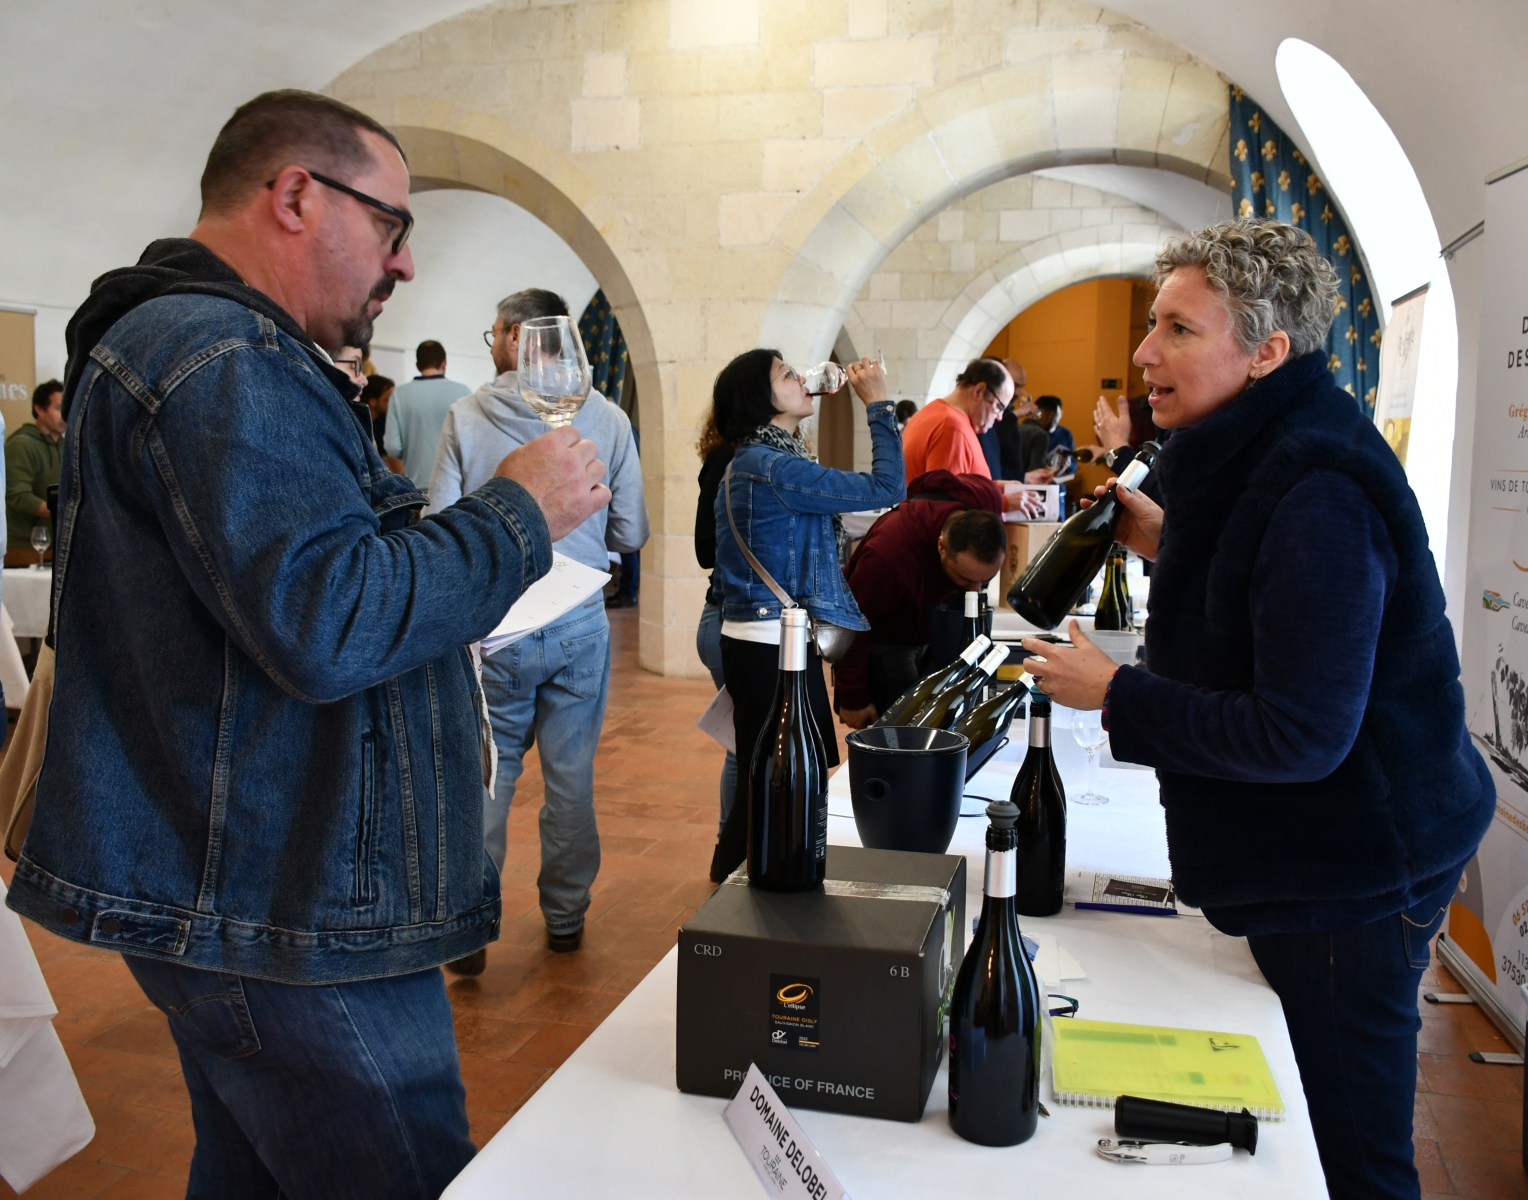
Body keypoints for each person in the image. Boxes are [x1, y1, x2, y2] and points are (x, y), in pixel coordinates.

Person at [5, 89, 611, 1198]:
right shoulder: (222, 355)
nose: (406, 264)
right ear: (294, 195)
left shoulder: (206, 346)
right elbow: (331, 619)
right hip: (285, 890)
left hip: (252, 872)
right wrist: (518, 514)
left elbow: (296, 588)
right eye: (391, 226)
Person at [1020, 219, 1494, 1200]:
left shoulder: (1318, 489)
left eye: (1179, 330)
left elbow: (1301, 733)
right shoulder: (1271, 446)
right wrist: (1174, 543)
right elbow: (1262, 586)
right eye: (1152, 324)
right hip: (1333, 845)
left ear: (1267, 351)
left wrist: (1115, 693)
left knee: (1351, 1150)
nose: (1144, 353)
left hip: (1359, 869)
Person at [430, 287, 647, 964]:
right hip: (578, 616)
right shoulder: (607, 416)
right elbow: (631, 530)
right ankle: (566, 916)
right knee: (571, 776)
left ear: (515, 339)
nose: (491, 344)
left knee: (490, 777)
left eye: (494, 333)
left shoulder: (466, 415)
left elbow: (438, 524)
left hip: (498, 619)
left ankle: (470, 924)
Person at [707, 351, 903, 881]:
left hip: (770, 639)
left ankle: (753, 877)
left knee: (778, 773)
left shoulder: (761, 461)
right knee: (776, 777)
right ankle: (748, 887)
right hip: (769, 643)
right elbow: (888, 488)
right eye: (785, 374)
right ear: (760, 399)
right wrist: (878, 403)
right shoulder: (772, 466)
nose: (801, 379)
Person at [834, 470, 1007, 727]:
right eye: (965, 578)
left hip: (934, 626)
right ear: (941, 546)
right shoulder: (888, 556)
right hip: (888, 637)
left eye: (985, 580)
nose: (975, 590)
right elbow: (851, 623)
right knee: (903, 725)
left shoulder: (984, 500)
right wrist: (853, 697)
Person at [693, 417, 736, 836]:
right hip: (726, 619)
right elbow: (705, 549)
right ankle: (731, 850)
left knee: (746, 744)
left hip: (739, 618)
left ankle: (739, 846)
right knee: (744, 745)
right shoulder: (727, 459)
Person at [900, 357, 1011, 481]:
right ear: (979, 391)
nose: (1000, 417)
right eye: (999, 407)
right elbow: (946, 492)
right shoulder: (952, 428)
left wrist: (996, 489)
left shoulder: (933, 412)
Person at [385, 338, 470, 486]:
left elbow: (392, 448)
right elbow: (472, 442)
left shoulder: (399, 394)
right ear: (444, 363)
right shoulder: (463, 392)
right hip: (455, 485)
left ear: (418, 366)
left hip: (416, 485)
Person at [5, 379, 63, 564]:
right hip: (24, 547)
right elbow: (18, 496)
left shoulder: (67, 445)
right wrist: (61, 512)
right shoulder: (22, 444)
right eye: (59, 408)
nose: (65, 415)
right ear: (39, 409)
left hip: (59, 544)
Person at [361, 372, 395, 456]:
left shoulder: (384, 422)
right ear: (373, 401)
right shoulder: (358, 427)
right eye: (388, 400)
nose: (394, 404)